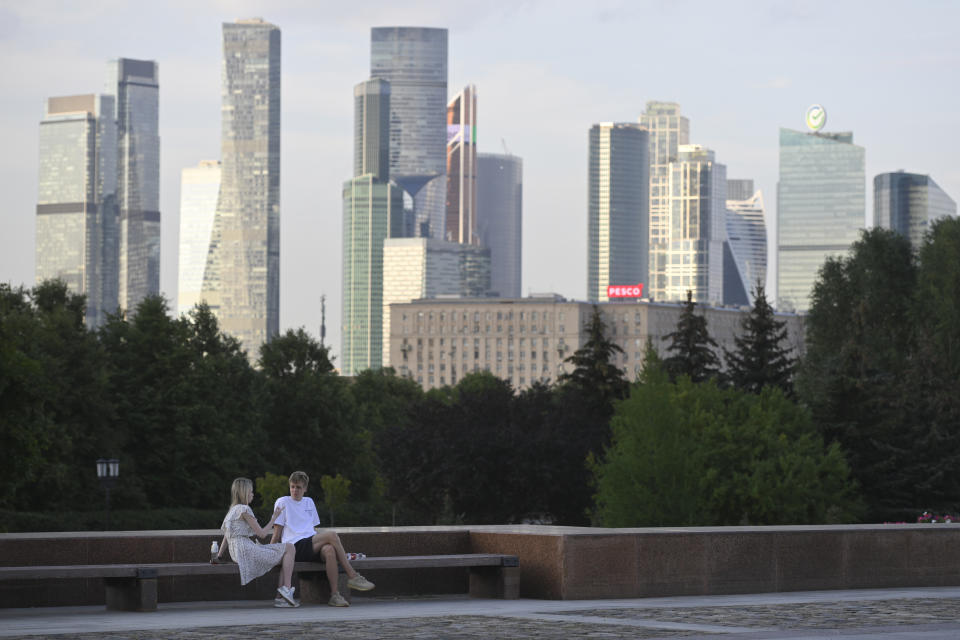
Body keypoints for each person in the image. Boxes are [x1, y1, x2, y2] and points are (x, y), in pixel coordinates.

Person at [271, 470, 374, 607]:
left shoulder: (309, 502)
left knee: (330, 550)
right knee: (331, 535)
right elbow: (277, 532)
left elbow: (312, 530)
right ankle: (352, 575)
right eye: (292, 487)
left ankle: (334, 595)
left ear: (305, 488)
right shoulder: (283, 502)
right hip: (294, 546)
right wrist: (270, 550)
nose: (295, 490)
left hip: (310, 543)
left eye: (299, 487)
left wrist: (322, 541)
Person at [215, 477, 300, 607]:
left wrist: (218, 556)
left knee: (286, 554)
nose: (252, 494)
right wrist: (274, 518)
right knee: (290, 548)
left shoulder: (232, 511)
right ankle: (287, 590)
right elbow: (262, 534)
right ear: (244, 492)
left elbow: (227, 535)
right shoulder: (245, 509)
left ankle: (281, 597)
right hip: (247, 551)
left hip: (237, 553)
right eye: (251, 491)